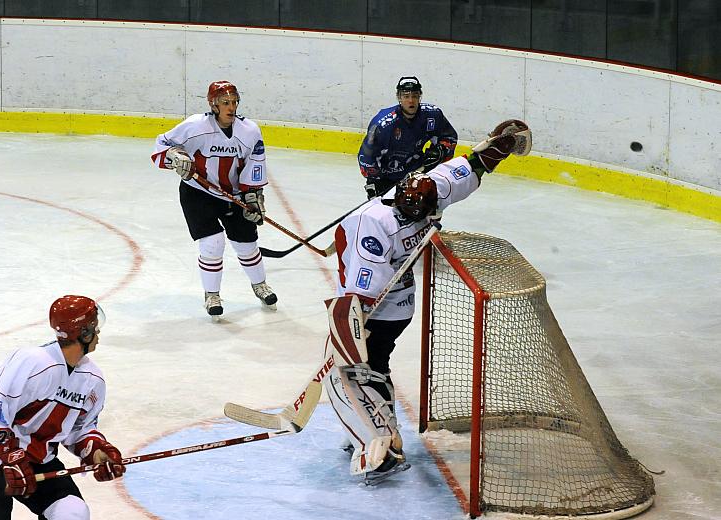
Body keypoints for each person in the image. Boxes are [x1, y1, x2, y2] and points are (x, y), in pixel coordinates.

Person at [325, 120, 532, 484]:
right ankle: (370, 427)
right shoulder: (433, 190)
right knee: (375, 366)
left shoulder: (373, 224)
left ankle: (379, 445)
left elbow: (359, 296)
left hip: (378, 306)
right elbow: (475, 166)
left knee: (345, 374)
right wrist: (501, 146)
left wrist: (347, 333)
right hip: (401, 304)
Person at [0, 295, 125, 520]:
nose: (98, 334)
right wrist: (8, 459)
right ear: (83, 333)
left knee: (72, 512)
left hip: (39, 461)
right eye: (94, 328)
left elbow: (79, 429)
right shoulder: (31, 362)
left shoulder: (92, 380)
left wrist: (95, 451)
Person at [152, 80, 277, 317]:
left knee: (246, 244)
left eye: (234, 102)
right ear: (213, 105)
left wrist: (253, 198)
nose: (231, 107)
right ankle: (212, 295)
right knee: (212, 243)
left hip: (234, 194)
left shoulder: (249, 130)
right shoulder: (195, 126)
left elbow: (255, 162)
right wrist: (175, 155)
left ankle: (259, 285)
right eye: (225, 103)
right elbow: (162, 145)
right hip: (198, 192)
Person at [358, 76, 458, 199]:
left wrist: (440, 152)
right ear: (399, 98)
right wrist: (374, 181)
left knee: (427, 208)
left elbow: (449, 137)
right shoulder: (382, 125)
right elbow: (367, 156)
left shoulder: (432, 115)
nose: (411, 101)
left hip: (417, 175)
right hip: (387, 178)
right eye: (406, 96)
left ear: (420, 97)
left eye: (415, 96)